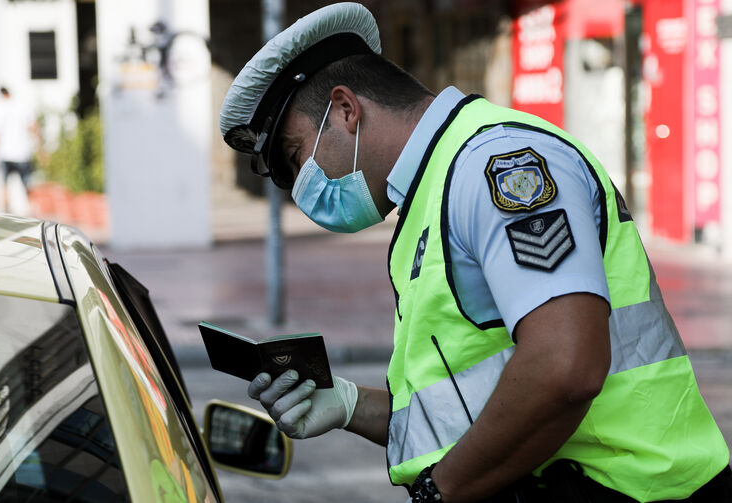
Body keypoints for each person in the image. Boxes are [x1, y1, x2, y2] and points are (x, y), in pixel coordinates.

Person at [217, 3, 731, 502]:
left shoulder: (494, 166)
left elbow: (564, 366)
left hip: (630, 491)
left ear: (347, 110)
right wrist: (350, 406)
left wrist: (441, 491)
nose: (298, 187)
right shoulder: (436, 187)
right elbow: (474, 406)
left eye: (294, 158)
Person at [0, 86, 37, 212]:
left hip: (5, 153)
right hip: (23, 152)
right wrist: (40, 148)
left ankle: (6, 213)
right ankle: (31, 211)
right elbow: (33, 127)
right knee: (26, 184)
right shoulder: (23, 106)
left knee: (4, 186)